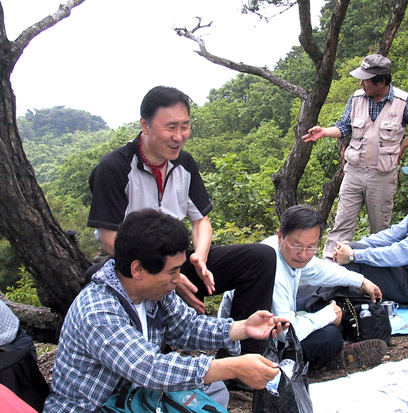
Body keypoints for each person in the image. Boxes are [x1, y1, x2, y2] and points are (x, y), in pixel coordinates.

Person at [87, 86, 276, 353]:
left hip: (177, 259)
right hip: (131, 265)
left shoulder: (184, 164)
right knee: (96, 277)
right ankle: (150, 357)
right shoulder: (114, 168)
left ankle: (244, 359)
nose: (179, 136)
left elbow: (201, 221)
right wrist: (170, 277)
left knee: (260, 258)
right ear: (145, 125)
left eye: (185, 126)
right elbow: (110, 241)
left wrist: (199, 256)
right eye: (171, 127)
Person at [43, 209, 288, 412]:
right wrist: (233, 367)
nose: (178, 279)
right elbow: (149, 368)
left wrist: (243, 327)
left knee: (214, 389)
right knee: (209, 385)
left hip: (137, 398)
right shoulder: (98, 311)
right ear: (138, 270)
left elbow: (187, 327)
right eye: (172, 271)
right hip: (93, 407)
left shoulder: (155, 292)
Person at [219, 205, 387, 370]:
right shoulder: (271, 268)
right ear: (280, 236)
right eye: (297, 246)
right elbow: (286, 332)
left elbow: (320, 270)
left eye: (311, 247)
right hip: (252, 344)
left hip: (281, 316)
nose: (303, 254)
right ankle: (335, 355)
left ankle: (338, 345)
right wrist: (328, 315)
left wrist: (361, 281)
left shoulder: (286, 251)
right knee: (329, 338)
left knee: (326, 297)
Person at [302, 53, 408, 259]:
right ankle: (330, 264)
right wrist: (324, 131)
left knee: (380, 229)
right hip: (353, 172)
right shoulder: (356, 98)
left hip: (382, 175)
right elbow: (344, 126)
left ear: (381, 82)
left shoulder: (404, 102)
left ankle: (374, 267)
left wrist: (403, 146)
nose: (361, 83)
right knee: (342, 223)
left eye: (366, 80)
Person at [333, 156, 408, 306]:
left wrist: (353, 255)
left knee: (355, 263)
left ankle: (346, 307)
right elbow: (393, 234)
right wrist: (354, 246)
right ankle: (346, 300)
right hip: (407, 272)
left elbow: (399, 253)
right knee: (352, 251)